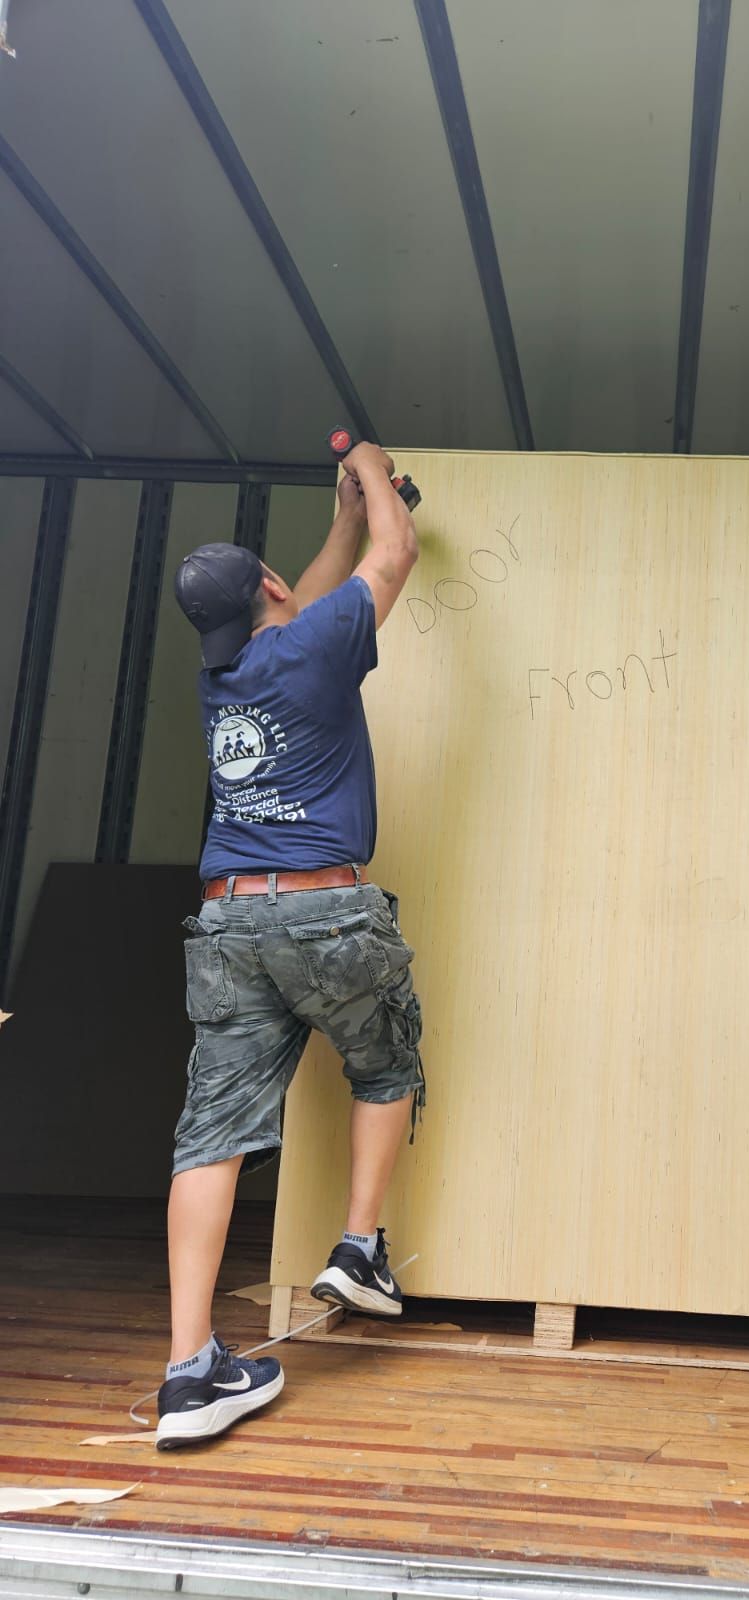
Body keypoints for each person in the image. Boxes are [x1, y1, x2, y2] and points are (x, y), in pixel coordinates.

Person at [158, 442, 424, 1451]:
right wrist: (376, 470)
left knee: (209, 1134)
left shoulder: (220, 671)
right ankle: (360, 1245)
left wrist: (341, 524)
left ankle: (191, 1373)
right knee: (386, 1057)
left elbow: (304, 596)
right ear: (270, 590)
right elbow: (393, 560)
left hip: (228, 920)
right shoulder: (313, 648)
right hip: (323, 910)